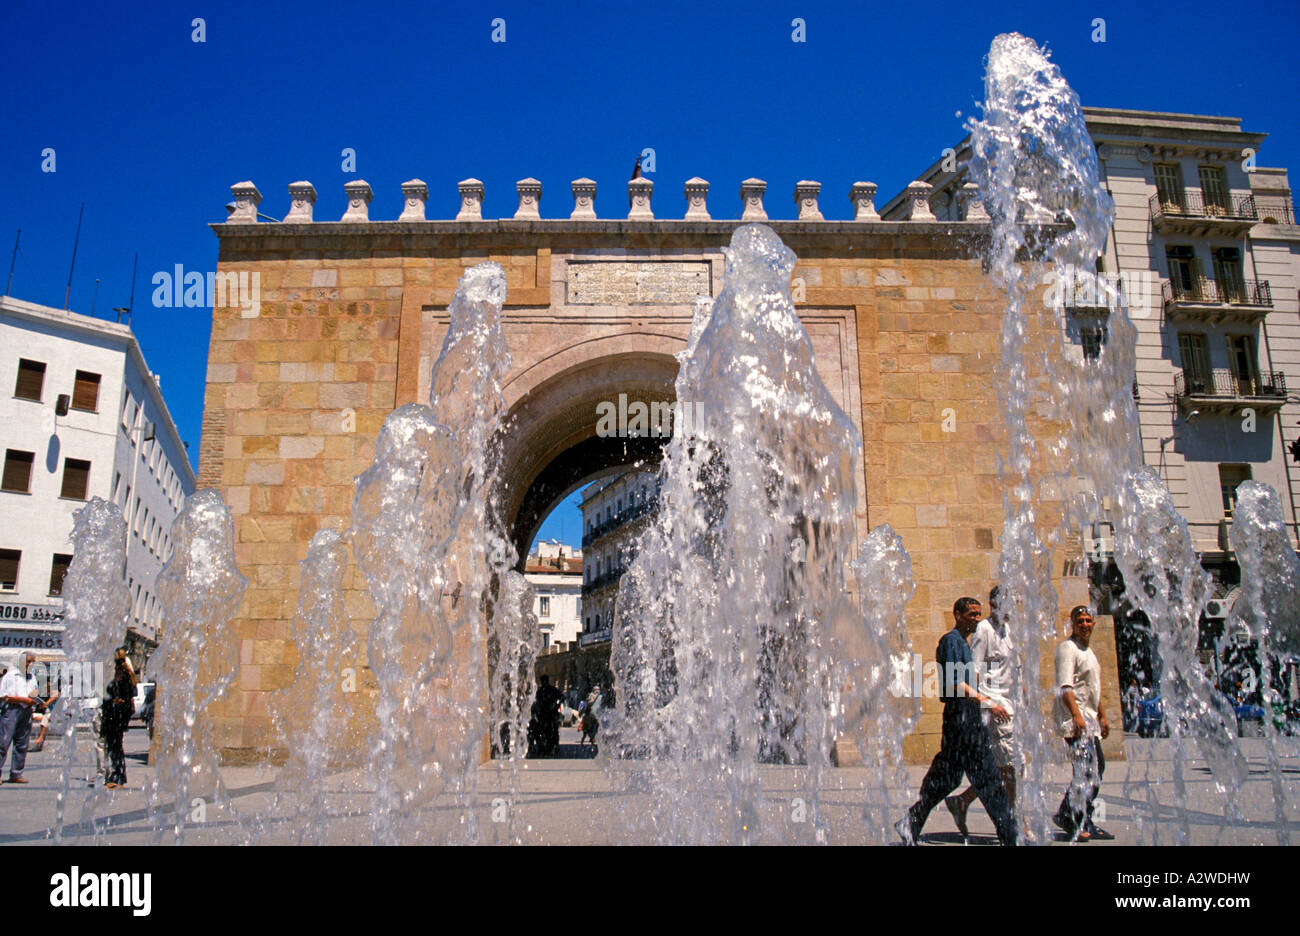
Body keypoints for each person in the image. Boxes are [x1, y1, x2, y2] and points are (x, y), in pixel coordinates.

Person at [896, 598, 1017, 846]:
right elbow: (954, 683)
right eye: (971, 614)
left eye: (978, 614)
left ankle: (911, 822)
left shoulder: (964, 643)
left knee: (949, 778)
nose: (976, 619)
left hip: (965, 717)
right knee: (988, 778)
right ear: (958, 615)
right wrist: (988, 702)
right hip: (962, 719)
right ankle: (1011, 837)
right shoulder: (951, 641)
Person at [944, 585, 1019, 839]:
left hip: (1008, 705)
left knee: (1000, 768)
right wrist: (985, 704)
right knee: (1008, 767)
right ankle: (1012, 825)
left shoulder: (1010, 631)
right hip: (993, 707)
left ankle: (963, 801)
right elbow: (970, 674)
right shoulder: (983, 630)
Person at [1052, 606, 1113, 842]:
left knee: (1095, 770)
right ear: (1072, 624)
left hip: (1088, 720)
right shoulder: (1068, 649)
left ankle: (1080, 817)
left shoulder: (1089, 651)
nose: (1085, 624)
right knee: (1086, 771)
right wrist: (1076, 716)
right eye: (1080, 621)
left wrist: (1102, 716)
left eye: (1088, 620)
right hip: (1074, 721)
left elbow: (1093, 690)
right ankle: (1069, 815)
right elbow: (1065, 687)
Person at [0, 652, 47, 783]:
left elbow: (34, 692)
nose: (30, 664)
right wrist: (22, 699)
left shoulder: (32, 677)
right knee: (3, 742)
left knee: (22, 743)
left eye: (32, 662)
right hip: (11, 710)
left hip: (26, 711)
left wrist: (35, 700)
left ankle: (16, 773)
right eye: (28, 661)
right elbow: (3, 696)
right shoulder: (10, 676)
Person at [101, 649, 137, 789]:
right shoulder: (124, 672)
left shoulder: (121, 674)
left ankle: (117, 776)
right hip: (117, 714)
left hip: (116, 715)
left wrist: (117, 701)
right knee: (115, 745)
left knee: (114, 745)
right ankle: (118, 776)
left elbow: (122, 695)